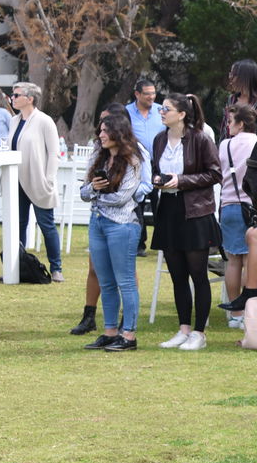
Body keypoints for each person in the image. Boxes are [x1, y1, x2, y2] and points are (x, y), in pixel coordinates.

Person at [72, 104, 153, 335]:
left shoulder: (134, 160)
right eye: (100, 131)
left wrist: (95, 194)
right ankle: (109, 332)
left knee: (125, 281)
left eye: (105, 131)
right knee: (105, 281)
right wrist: (93, 190)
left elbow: (121, 197)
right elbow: (83, 192)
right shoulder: (99, 157)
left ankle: (128, 333)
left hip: (122, 225)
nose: (101, 135)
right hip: (98, 223)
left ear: (119, 132)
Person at [151, 93, 221, 350]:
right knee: (177, 275)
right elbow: (155, 167)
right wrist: (158, 179)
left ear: (181, 114)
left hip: (195, 211)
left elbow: (214, 174)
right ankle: (183, 329)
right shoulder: (159, 139)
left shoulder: (200, 138)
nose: (162, 112)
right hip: (168, 209)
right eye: (162, 108)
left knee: (198, 274)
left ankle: (199, 333)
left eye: (166, 109)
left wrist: (181, 180)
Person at [7, 82, 64, 281]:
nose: (12, 98)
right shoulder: (14, 121)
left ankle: (56, 268)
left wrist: (49, 179)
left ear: (30, 99)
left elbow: (54, 153)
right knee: (18, 225)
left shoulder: (44, 121)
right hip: (17, 180)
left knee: (46, 224)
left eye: (16, 95)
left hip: (39, 180)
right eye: (12, 95)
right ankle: (17, 267)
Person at [217, 104, 257, 328]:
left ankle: (235, 313)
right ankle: (250, 312)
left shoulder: (225, 145)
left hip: (228, 205)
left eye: (231, 121)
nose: (228, 125)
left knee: (233, 261)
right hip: (252, 206)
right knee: (250, 260)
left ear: (241, 123)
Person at [126, 79, 163, 256]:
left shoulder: (160, 110)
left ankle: (162, 242)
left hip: (158, 164)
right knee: (136, 203)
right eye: (147, 93)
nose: (151, 97)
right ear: (137, 94)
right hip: (135, 165)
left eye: (153, 93)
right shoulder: (127, 112)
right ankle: (138, 244)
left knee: (160, 204)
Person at [222, 59, 257, 139]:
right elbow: (224, 131)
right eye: (230, 74)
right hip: (231, 149)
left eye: (233, 75)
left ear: (244, 77)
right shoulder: (231, 99)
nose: (230, 79)